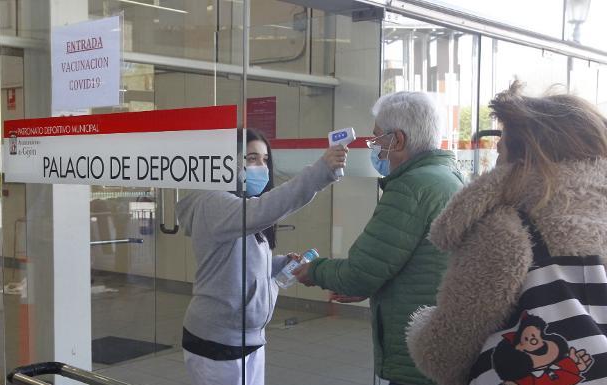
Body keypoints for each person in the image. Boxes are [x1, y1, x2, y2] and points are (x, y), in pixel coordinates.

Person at [406, 81, 607, 385]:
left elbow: (448, 349)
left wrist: (421, 331)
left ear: (525, 158)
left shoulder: (504, 228)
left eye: (500, 150)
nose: (495, 162)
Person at [293, 91, 464, 385]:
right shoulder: (447, 176)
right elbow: (414, 262)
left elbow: (359, 273)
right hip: (442, 337)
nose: (373, 147)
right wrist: (372, 286)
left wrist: (314, 270)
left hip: (417, 349)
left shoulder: (412, 187)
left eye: (376, 139)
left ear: (397, 140)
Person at [175, 128, 348, 385]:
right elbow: (265, 209)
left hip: (250, 337)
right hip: (217, 340)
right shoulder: (213, 202)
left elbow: (239, 262)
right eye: (252, 158)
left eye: (265, 160)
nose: (261, 167)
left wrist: (279, 264)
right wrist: (319, 172)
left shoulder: (240, 202)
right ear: (227, 160)